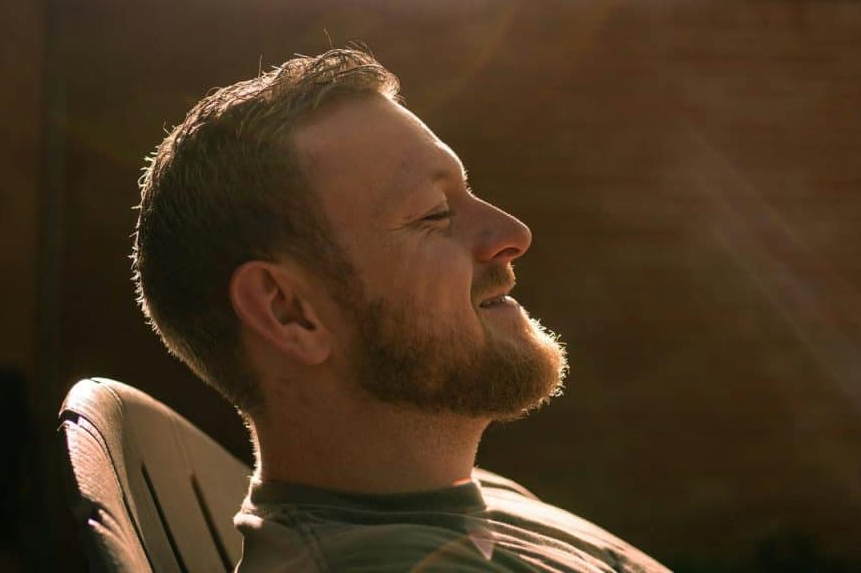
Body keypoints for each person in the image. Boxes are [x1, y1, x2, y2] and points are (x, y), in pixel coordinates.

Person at [132, 47, 669, 572]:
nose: (513, 234)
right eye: (435, 215)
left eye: (467, 194)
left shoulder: (460, 494)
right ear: (289, 310)